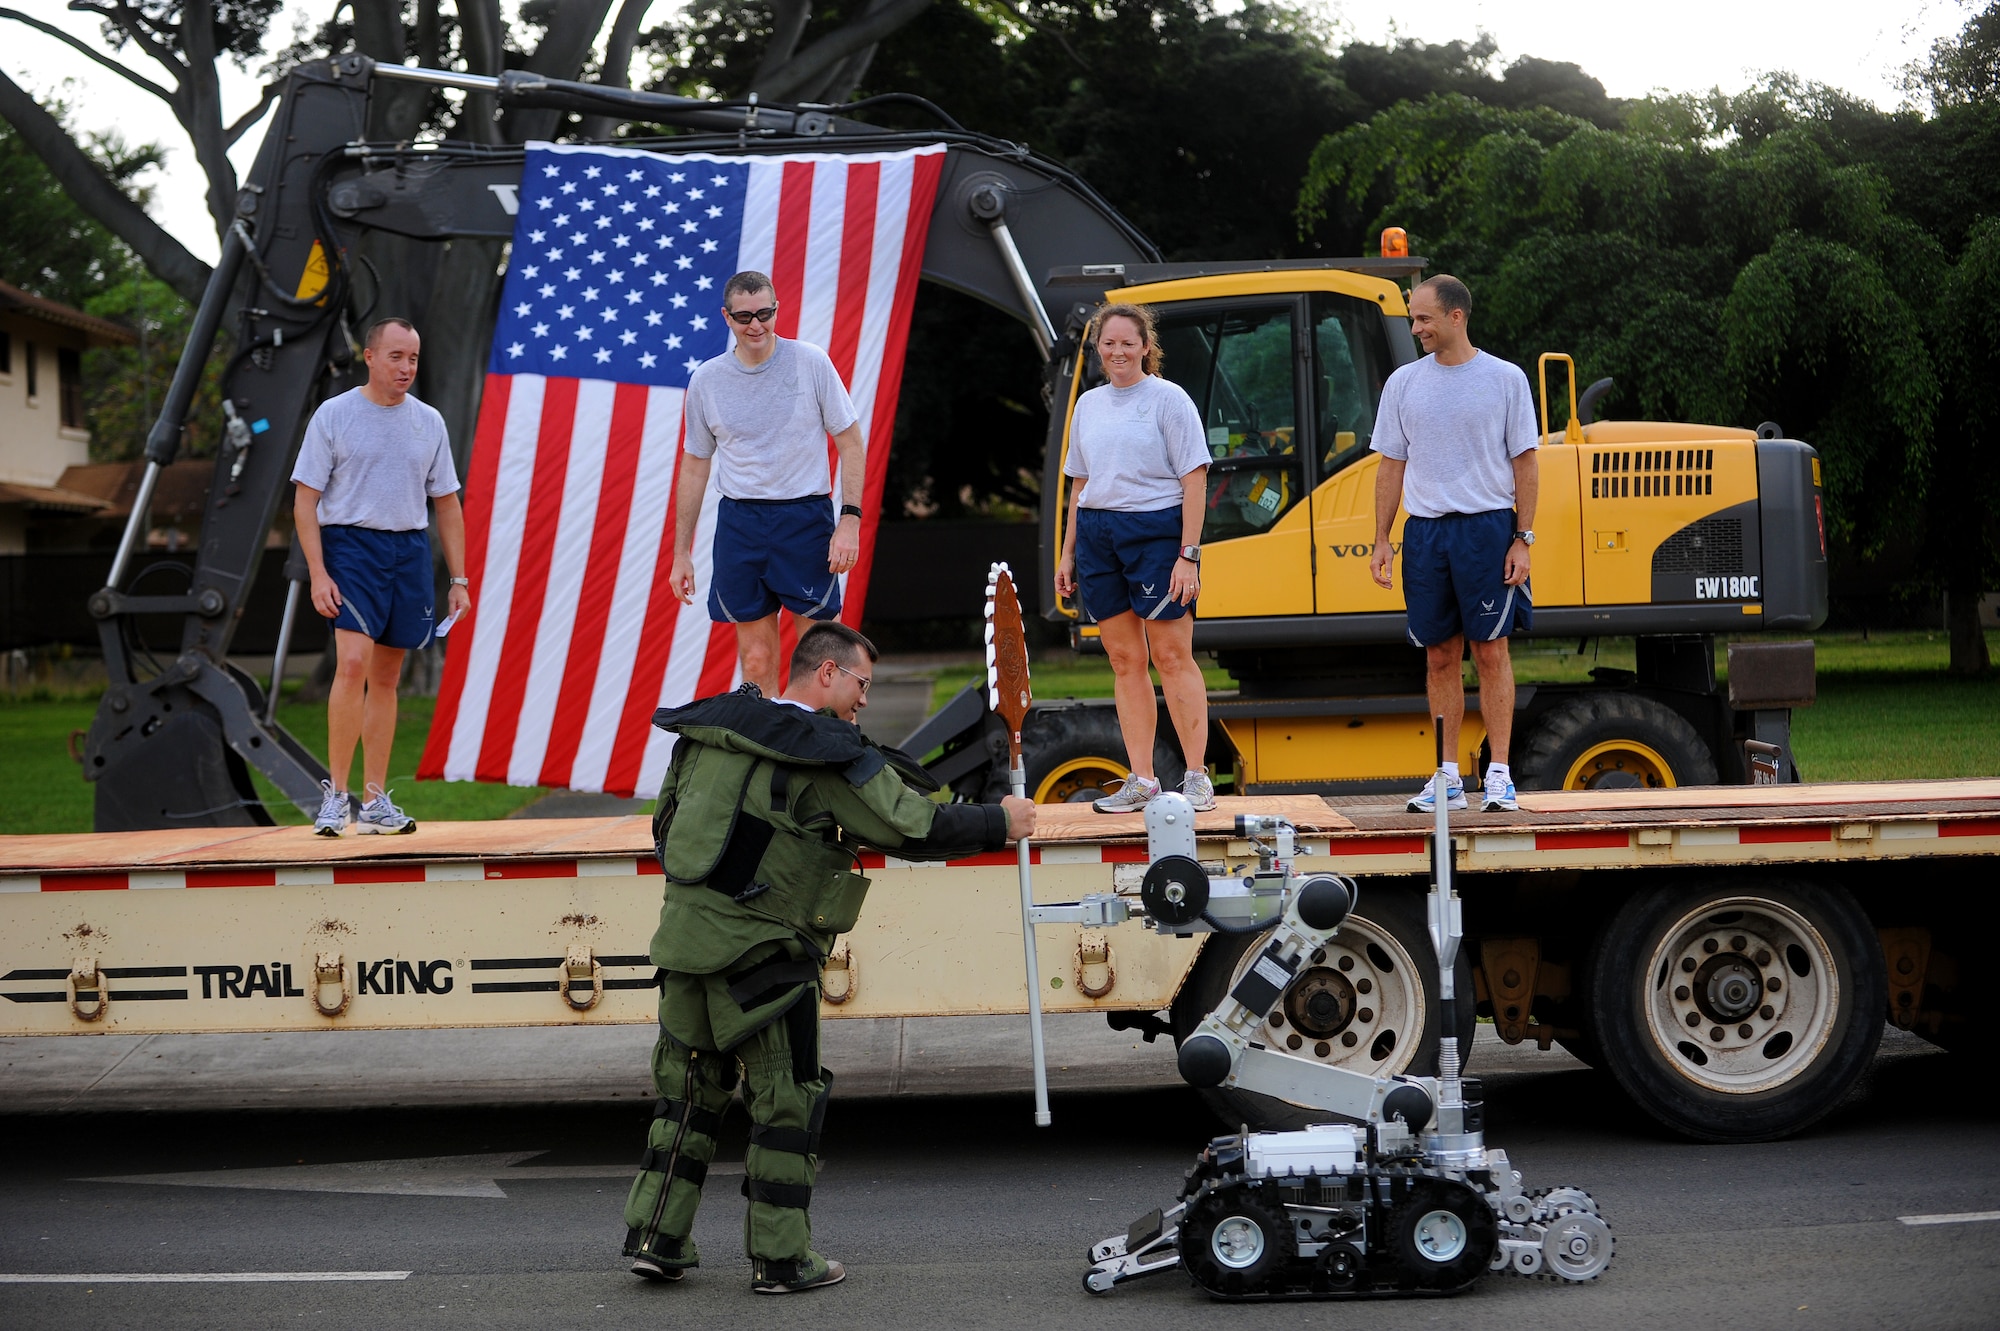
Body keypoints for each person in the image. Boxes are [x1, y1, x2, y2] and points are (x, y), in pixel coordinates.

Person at [621, 621, 1036, 1295]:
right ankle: (781, 1259)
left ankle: (656, 1238)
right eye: (862, 684)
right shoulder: (819, 752)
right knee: (786, 1105)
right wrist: (1000, 821)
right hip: (766, 961)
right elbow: (910, 826)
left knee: (687, 1098)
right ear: (827, 674)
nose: (864, 703)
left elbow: (664, 828)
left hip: (682, 946)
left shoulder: (708, 731)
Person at [1368, 275, 1539, 813]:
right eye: (1414, 319)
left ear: (1456, 316)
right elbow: (1390, 467)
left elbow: (1526, 464)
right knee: (1440, 655)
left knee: (1490, 650)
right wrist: (1381, 541)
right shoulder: (1403, 383)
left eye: (1423, 318)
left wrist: (1522, 538)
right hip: (1426, 533)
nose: (1416, 327)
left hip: (1487, 529)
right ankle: (1446, 776)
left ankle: (1500, 775)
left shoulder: (1505, 379)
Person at [292, 317, 469, 836]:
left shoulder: (428, 421)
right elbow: (305, 502)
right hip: (350, 546)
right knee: (351, 663)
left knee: (386, 678)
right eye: (396, 356)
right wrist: (318, 573)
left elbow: (448, 504)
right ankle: (336, 795)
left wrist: (459, 580)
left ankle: (374, 801)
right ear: (369, 357)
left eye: (413, 358)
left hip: (408, 549)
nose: (406, 367)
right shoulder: (335, 415)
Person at [668, 272, 866, 697]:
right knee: (755, 661)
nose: (756, 325)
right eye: (744, 317)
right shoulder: (707, 379)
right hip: (741, 521)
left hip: (804, 516)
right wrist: (681, 552)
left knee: (820, 658)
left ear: (777, 309)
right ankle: (770, 756)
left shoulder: (810, 361)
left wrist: (849, 520)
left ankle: (826, 756)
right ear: (727, 317)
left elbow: (850, 442)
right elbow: (695, 465)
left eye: (765, 313)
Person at [1053, 302, 1214, 813]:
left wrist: (1187, 556)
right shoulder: (1088, 405)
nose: (1118, 351)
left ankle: (1195, 778)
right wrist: (1067, 552)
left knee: (1171, 656)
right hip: (1099, 533)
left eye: (1128, 342)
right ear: (1097, 348)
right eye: (1109, 342)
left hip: (1156, 532)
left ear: (1146, 346)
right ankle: (1142, 779)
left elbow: (1195, 479)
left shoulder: (1169, 400)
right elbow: (1081, 483)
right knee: (1125, 660)